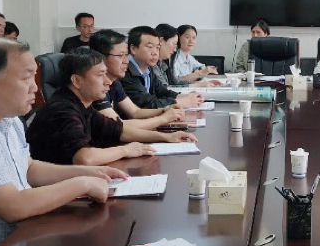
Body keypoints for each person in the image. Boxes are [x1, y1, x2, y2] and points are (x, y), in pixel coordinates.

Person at [0, 37, 128, 246]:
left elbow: (28, 168)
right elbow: (13, 206)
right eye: (26, 77)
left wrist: (89, 172)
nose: (35, 87)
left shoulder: (6, 115)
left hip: (24, 235)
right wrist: (83, 183)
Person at [27, 48, 197, 166]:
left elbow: (119, 129)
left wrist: (166, 137)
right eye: (100, 75)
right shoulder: (62, 110)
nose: (108, 81)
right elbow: (84, 158)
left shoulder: (82, 105)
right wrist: (125, 150)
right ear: (77, 81)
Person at [89, 29, 189, 130]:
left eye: (126, 55)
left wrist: (164, 110)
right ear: (100, 58)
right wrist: (163, 119)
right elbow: (119, 126)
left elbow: (135, 112)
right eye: (120, 55)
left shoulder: (115, 82)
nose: (126, 61)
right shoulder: (94, 86)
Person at [122, 26, 203, 110]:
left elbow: (162, 91)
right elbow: (148, 104)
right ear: (133, 49)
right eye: (150, 47)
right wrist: (182, 102)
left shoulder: (147, 69)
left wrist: (186, 97)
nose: (155, 52)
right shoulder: (125, 72)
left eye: (157, 47)